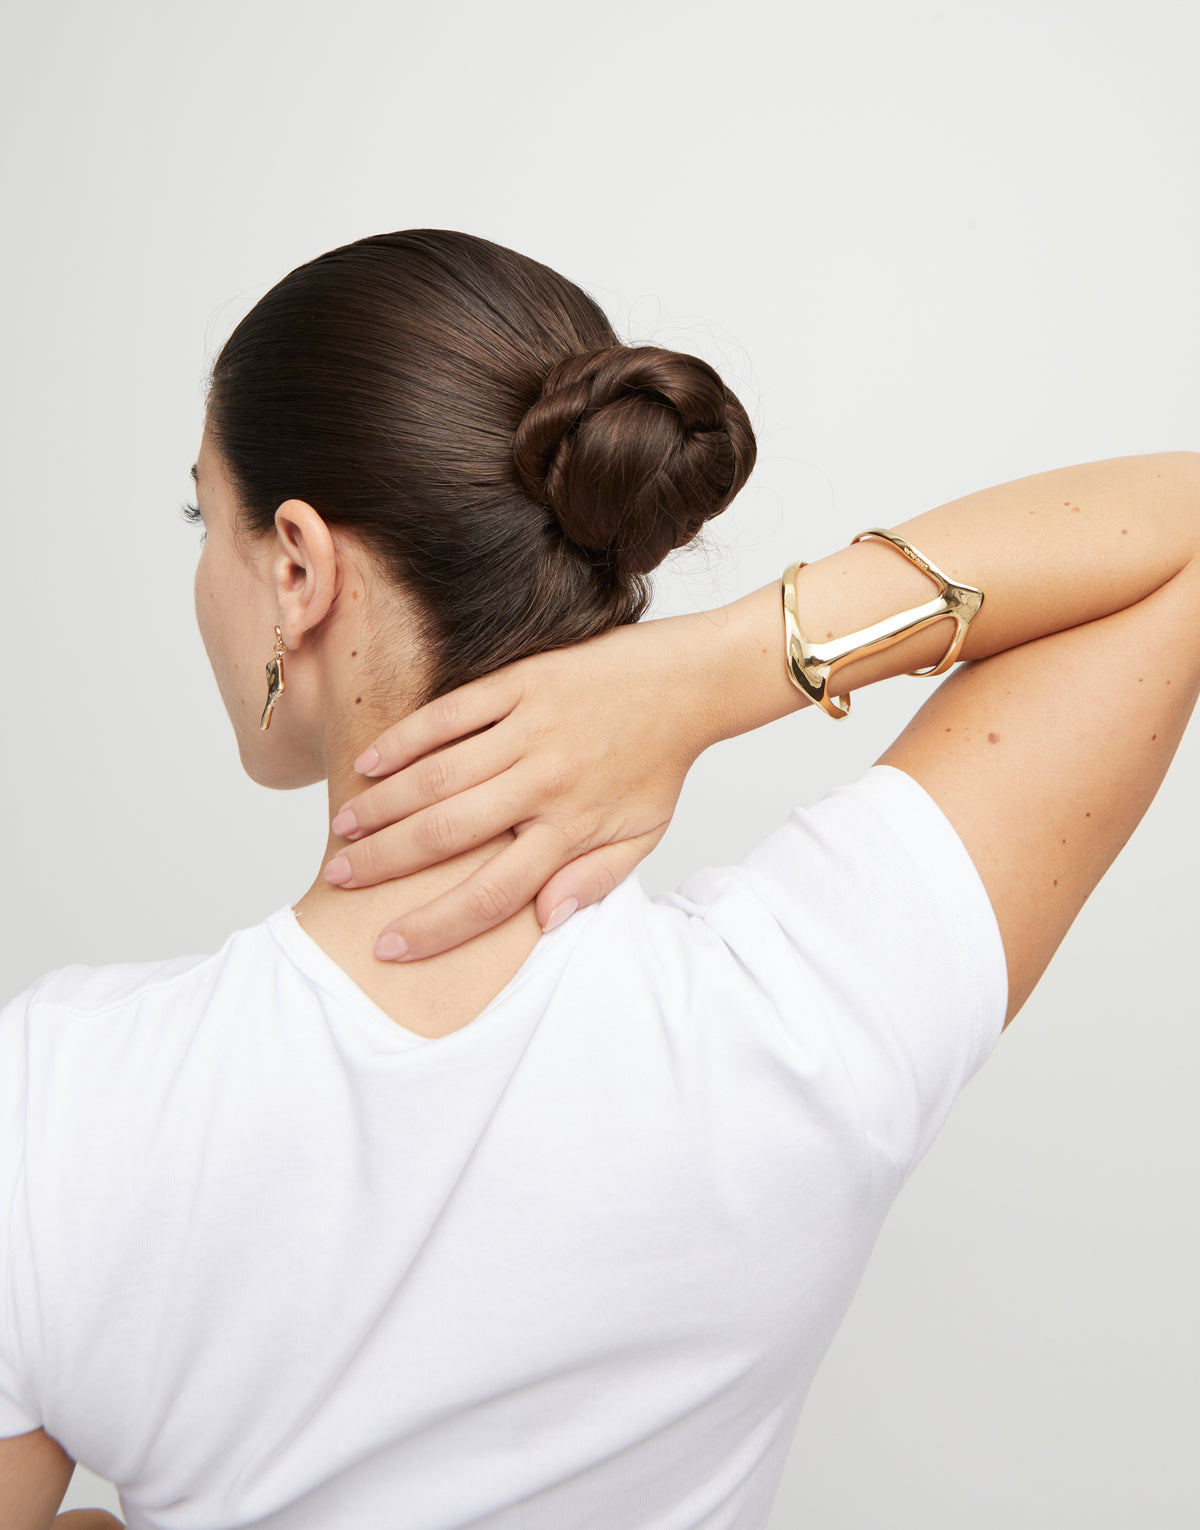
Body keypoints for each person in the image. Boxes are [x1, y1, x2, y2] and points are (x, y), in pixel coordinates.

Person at [2, 229, 1196, 1530]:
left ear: (298, 567)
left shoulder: (54, 1101)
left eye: (204, 516)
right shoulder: (794, 1022)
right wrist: (719, 671)